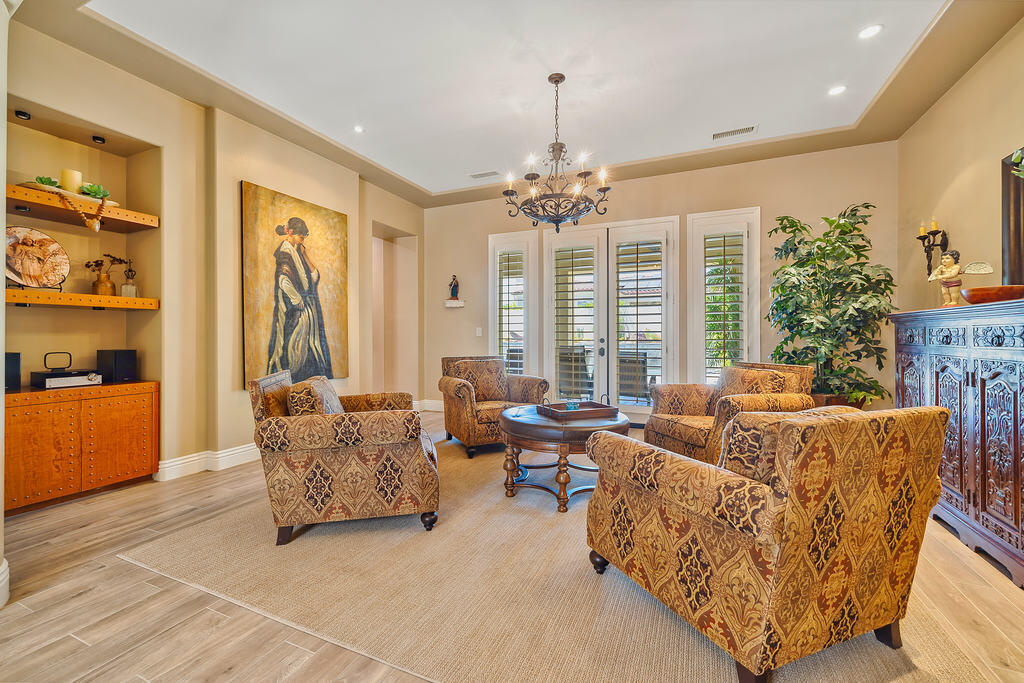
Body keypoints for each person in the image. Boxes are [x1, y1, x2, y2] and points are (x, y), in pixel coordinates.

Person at [266, 216, 334, 380]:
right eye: (301, 236)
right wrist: (298, 300)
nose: (303, 240)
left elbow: (314, 277)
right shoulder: (285, 253)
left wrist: (306, 256)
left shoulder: (297, 252)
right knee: (294, 352)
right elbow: (283, 280)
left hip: (309, 314)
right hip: (297, 313)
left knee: (311, 352)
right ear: (290, 233)